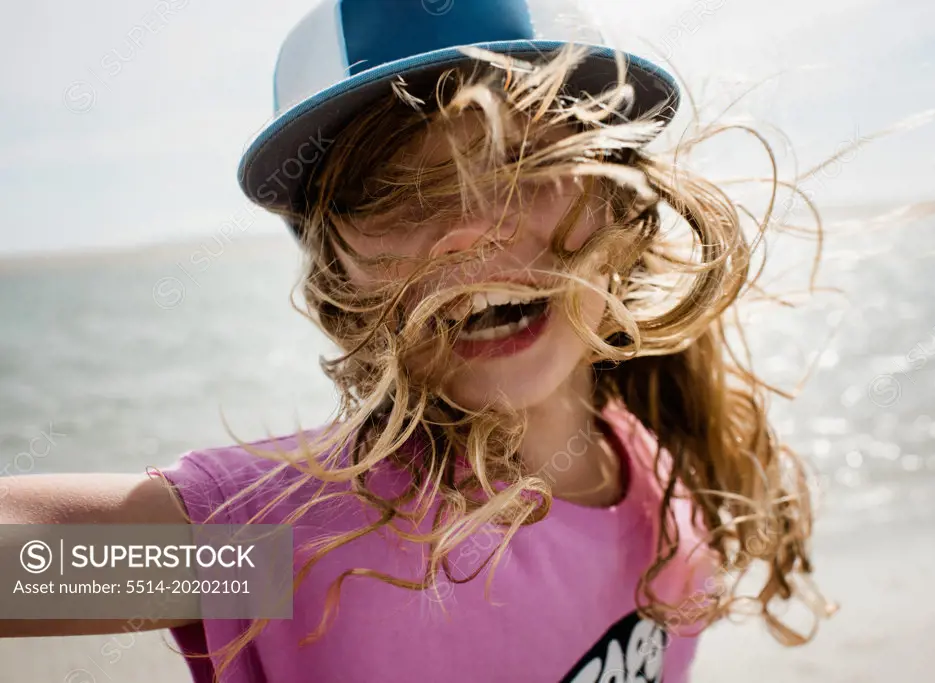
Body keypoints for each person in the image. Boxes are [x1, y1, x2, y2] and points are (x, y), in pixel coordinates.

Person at [0, 0, 831, 680]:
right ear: (338, 277)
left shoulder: (670, 478)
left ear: (618, 200)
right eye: (400, 193)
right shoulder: (299, 549)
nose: (468, 233)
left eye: (521, 165)